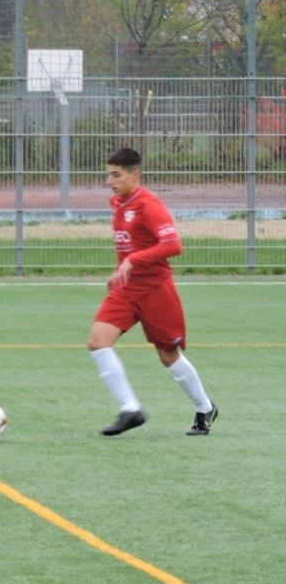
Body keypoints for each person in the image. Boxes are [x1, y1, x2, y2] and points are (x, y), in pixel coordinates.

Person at [87, 146, 217, 436]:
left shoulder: (149, 206)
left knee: (167, 355)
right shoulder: (118, 202)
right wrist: (121, 268)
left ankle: (204, 406)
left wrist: (132, 260)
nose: (109, 181)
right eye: (108, 174)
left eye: (116, 175)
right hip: (126, 290)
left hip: (156, 290)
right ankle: (130, 409)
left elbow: (173, 246)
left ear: (135, 175)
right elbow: (131, 243)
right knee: (98, 342)